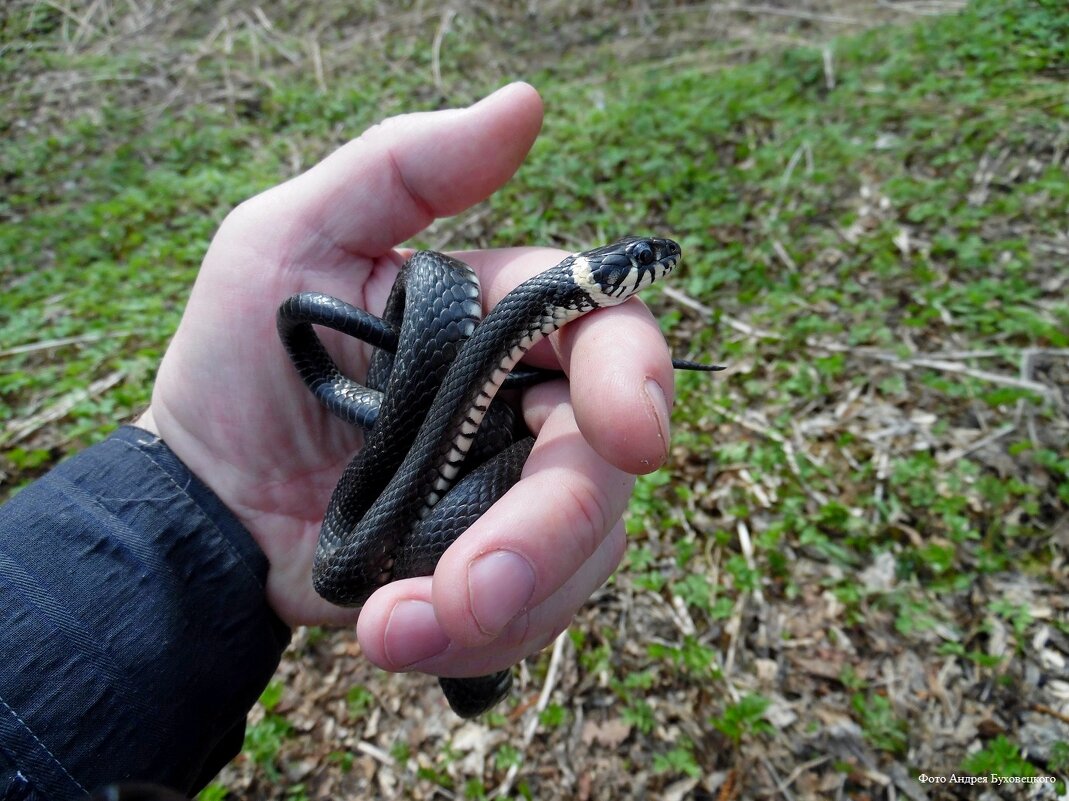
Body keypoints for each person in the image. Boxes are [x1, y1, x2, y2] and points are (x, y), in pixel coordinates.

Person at [0, 83, 686, 800]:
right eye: (643, 259)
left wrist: (191, 491)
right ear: (593, 281)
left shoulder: (493, 319)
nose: (655, 264)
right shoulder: (483, 308)